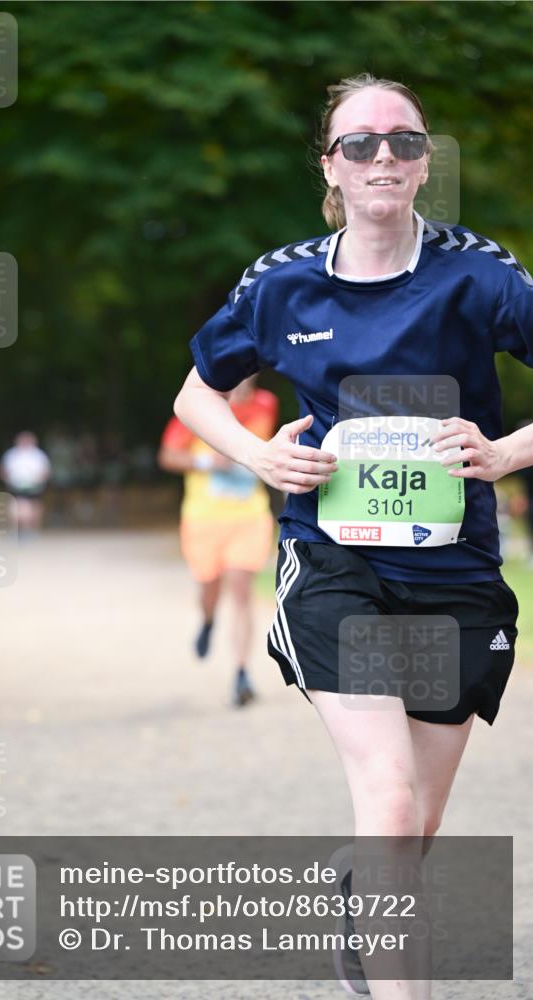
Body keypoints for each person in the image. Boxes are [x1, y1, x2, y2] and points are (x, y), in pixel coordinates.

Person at [173, 73, 533, 999]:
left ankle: (356, 892)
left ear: (423, 165)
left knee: (407, 836)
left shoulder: (479, 273)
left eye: (404, 142)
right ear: (329, 166)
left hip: (456, 572)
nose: (384, 157)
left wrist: (505, 450)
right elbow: (194, 393)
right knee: (392, 799)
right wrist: (257, 458)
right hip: (332, 562)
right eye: (361, 143)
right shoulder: (282, 282)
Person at [158, 376, 279, 706]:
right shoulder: (198, 408)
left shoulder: (265, 404)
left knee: (242, 590)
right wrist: (207, 461)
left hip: (249, 514)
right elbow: (167, 456)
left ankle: (241, 674)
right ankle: (208, 620)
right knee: (209, 587)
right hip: (203, 518)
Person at [0, 431, 51, 533]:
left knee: (34, 505)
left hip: (35, 485)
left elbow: (45, 471)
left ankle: (33, 529)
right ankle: (17, 528)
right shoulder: (11, 454)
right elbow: (3, 470)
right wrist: (8, 480)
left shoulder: (38, 455)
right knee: (17, 506)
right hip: (15, 485)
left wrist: (39, 481)